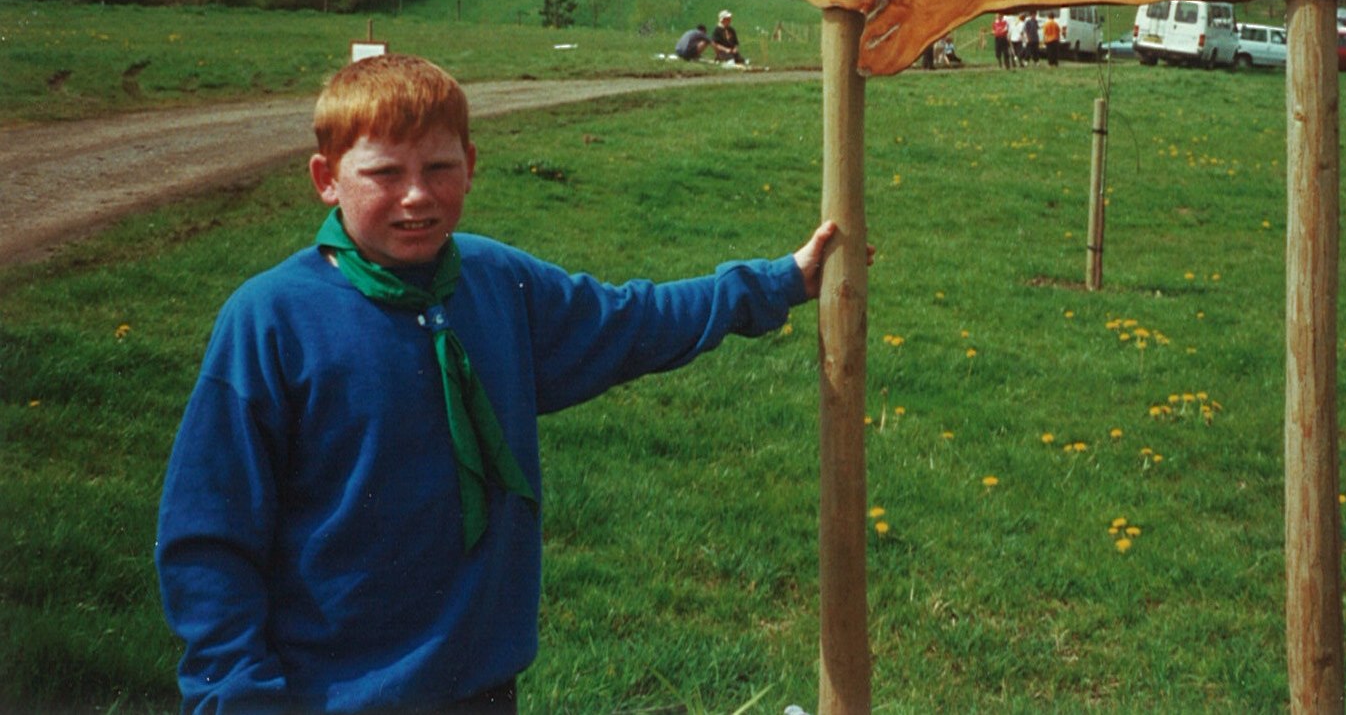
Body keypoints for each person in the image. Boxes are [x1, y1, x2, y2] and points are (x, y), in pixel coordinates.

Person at [155, 54, 847, 713]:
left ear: (471, 166)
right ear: (326, 178)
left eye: (439, 167)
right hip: (330, 690)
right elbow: (208, 534)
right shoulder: (272, 319)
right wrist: (237, 694)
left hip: (479, 680)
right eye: (384, 173)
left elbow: (633, 321)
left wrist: (782, 280)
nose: (416, 195)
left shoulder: (496, 283)